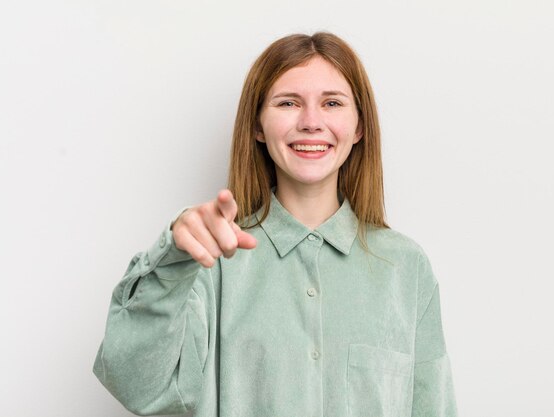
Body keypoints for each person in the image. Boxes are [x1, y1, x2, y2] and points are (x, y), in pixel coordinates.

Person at [93, 32, 457, 417]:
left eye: (332, 103)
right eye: (288, 103)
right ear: (258, 126)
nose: (311, 122)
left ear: (360, 127)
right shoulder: (209, 261)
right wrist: (171, 262)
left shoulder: (406, 267)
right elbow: (137, 386)